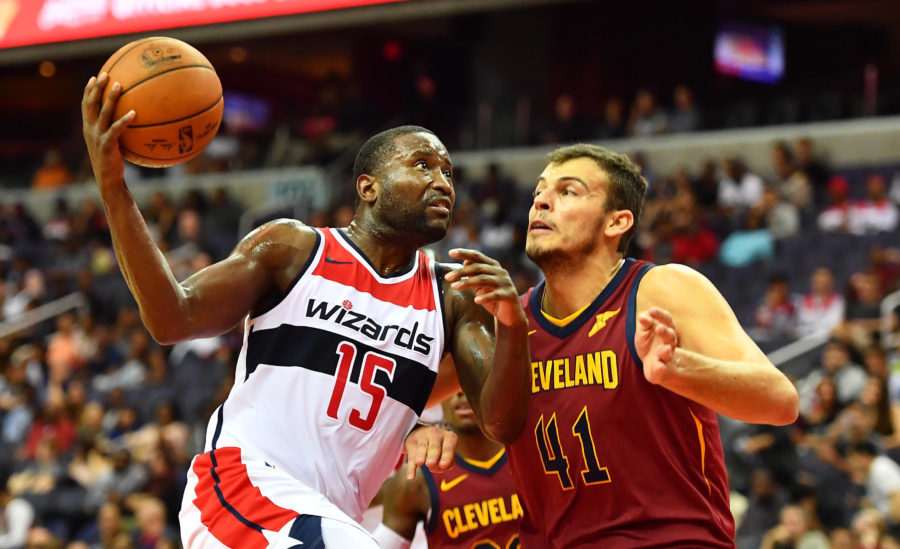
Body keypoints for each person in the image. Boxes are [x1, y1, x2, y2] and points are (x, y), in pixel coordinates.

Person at [81, 72, 530, 548]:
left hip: (330, 517)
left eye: (447, 173)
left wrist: (513, 325)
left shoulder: (451, 294)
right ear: (368, 187)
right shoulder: (294, 249)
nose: (441, 182)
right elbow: (174, 317)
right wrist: (113, 188)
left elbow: (501, 423)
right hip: (243, 486)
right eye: (422, 165)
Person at [506, 143, 799, 547]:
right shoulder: (510, 322)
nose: (541, 201)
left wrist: (679, 370)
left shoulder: (661, 289)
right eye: (539, 190)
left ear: (617, 222)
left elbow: (781, 400)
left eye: (567, 191)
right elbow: (417, 396)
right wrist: (426, 427)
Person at [372, 391, 520, 549]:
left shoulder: (528, 460)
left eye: (468, 382)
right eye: (453, 385)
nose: (461, 392)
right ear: (440, 399)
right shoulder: (417, 482)